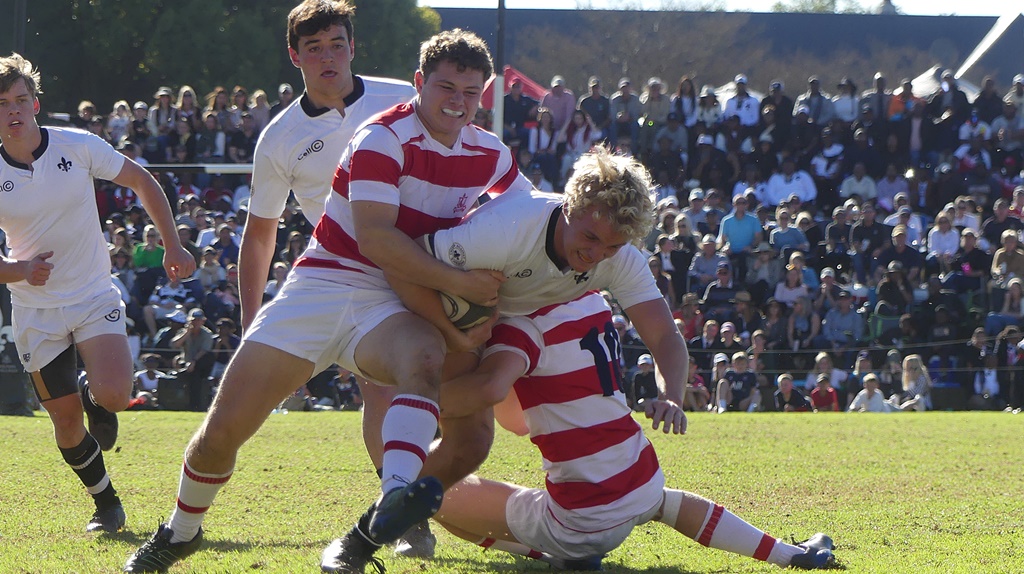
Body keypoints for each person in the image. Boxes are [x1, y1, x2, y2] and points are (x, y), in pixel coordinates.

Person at [125, 27, 526, 573]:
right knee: (222, 433)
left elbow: (529, 222)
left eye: (470, 92)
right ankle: (180, 530)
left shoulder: (492, 154)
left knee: (425, 363)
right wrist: (461, 286)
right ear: (419, 84)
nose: (457, 103)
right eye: (446, 88)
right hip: (323, 284)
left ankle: (395, 506)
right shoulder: (380, 136)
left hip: (394, 298)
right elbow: (377, 241)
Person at [329, 147, 693, 573]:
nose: (596, 254)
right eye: (590, 238)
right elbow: (399, 264)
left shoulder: (621, 257)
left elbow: (664, 334)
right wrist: (446, 335)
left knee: (486, 437)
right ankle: (367, 524)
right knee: (480, 417)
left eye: (611, 246)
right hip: (446, 306)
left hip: (507, 318)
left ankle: (405, 468)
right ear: (569, 206)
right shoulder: (505, 228)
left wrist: (673, 395)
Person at [430, 292, 835, 571]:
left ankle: (559, 556)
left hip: (579, 517)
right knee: (665, 503)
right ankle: (790, 555)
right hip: (640, 475)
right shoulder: (593, 301)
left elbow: (513, 421)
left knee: (431, 491)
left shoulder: (520, 329)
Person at [234, 4, 423, 554]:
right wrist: (253, 322)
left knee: (466, 389)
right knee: (382, 388)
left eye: (336, 43)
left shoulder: (402, 98)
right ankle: (407, 518)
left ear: (353, 47)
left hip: (434, 259)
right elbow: (261, 233)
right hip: (353, 278)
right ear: (294, 56)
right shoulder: (279, 137)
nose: (327, 57)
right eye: (313, 47)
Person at [0, 53, 194, 534]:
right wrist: (18, 269)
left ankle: (95, 394)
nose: (13, 111)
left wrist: (172, 243)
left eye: (21, 99)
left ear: (37, 103)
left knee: (114, 392)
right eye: (2, 104)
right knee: (65, 425)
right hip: (35, 309)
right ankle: (106, 504)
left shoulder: (78, 145)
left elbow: (141, 179)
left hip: (92, 294)